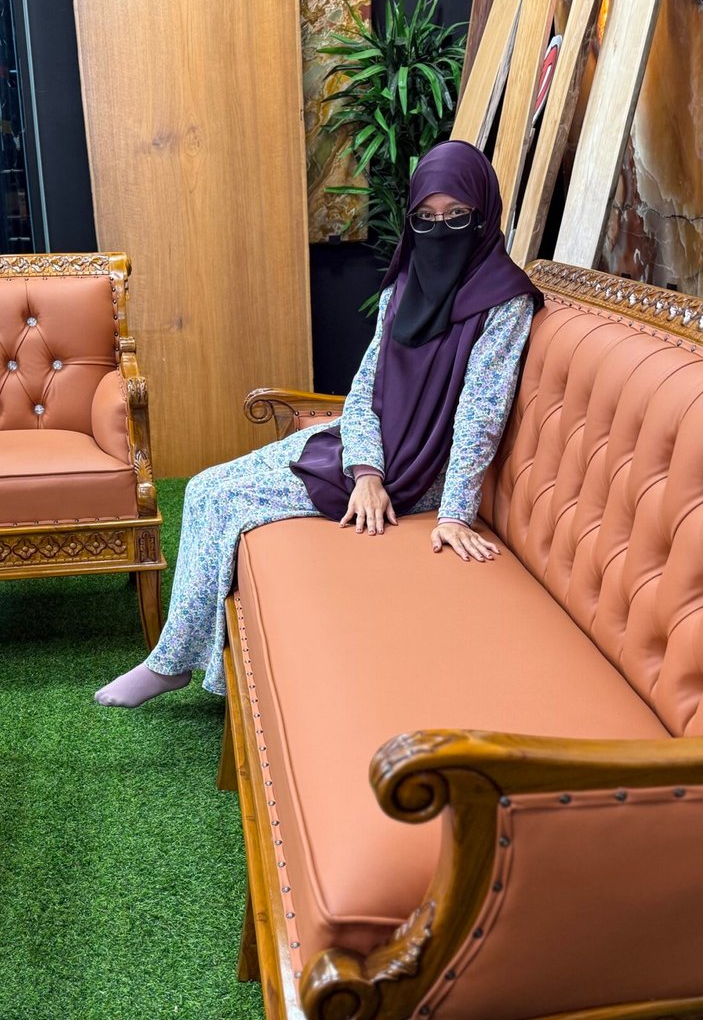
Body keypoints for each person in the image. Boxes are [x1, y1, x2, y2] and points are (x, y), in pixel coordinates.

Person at [96, 139, 541, 708]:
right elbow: (365, 391)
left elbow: (481, 415)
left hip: (424, 470)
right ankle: (176, 661)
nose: (440, 230)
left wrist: (454, 514)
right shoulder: (404, 286)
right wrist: (366, 471)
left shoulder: (505, 301)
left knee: (223, 498)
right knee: (205, 487)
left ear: (484, 215)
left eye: (457, 216)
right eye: (426, 219)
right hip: (373, 451)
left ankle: (170, 664)